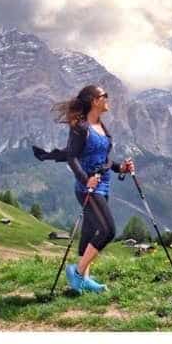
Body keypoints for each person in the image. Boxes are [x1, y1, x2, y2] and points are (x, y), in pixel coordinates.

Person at [32, 83, 135, 294]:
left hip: (104, 184)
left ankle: (85, 280)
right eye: (104, 95)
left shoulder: (102, 127)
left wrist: (120, 168)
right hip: (88, 188)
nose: (108, 98)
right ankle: (77, 273)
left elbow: (103, 159)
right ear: (94, 101)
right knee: (108, 231)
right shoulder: (80, 128)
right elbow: (71, 156)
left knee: (89, 232)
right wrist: (85, 179)